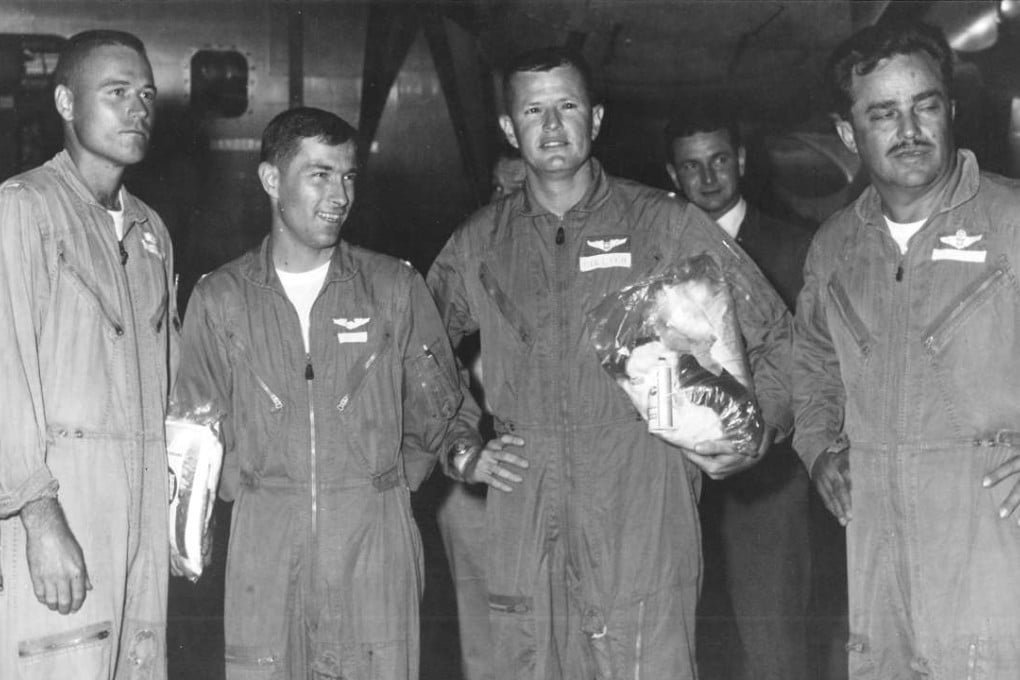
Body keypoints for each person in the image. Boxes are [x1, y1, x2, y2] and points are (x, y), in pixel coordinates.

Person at [427, 46, 793, 679]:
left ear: (594, 118)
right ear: (509, 130)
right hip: (524, 505)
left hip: (641, 499)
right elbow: (418, 350)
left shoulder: (666, 224)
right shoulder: (479, 243)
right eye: (532, 111)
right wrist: (460, 445)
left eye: (567, 106)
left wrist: (754, 433)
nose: (550, 126)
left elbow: (776, 338)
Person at [171, 106, 464, 679]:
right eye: (321, 174)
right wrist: (257, 494)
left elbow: (441, 412)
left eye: (350, 176)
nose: (340, 195)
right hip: (264, 546)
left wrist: (380, 489)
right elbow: (194, 431)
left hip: (374, 547)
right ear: (271, 180)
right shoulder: (220, 299)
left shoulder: (395, 288)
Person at [794, 22, 1020, 679]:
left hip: (995, 540)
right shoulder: (835, 247)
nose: (909, 128)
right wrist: (817, 449)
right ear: (848, 134)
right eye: (883, 113)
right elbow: (810, 365)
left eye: (924, 105)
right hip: (879, 551)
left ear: (951, 111)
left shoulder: (1010, 223)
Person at [0, 30, 176, 679]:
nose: (139, 109)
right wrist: (38, 518)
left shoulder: (152, 232)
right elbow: (3, 377)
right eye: (118, 92)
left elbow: (166, 387)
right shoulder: (21, 210)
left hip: (142, 534)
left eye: (148, 94)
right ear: (67, 103)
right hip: (57, 517)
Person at [665, 109, 813, 680]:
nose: (708, 178)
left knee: (774, 643)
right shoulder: (661, 255)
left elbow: (814, 364)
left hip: (769, 483)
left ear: (742, 161)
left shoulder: (794, 247)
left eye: (720, 160)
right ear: (672, 173)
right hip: (683, 487)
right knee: (695, 643)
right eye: (692, 166)